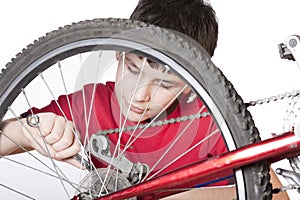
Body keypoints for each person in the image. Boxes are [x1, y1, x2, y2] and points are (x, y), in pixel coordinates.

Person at [0, 0, 289, 199]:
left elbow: (276, 194)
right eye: (132, 69)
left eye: (163, 84)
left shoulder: (207, 120)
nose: (139, 95)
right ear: (118, 52)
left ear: (191, 87)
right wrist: (25, 130)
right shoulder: (92, 104)